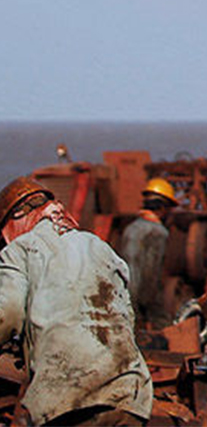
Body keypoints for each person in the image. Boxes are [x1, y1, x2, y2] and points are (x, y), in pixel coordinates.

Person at [0, 176, 153, 426]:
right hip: (129, 396)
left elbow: (8, 313)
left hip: (68, 398)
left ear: (17, 218)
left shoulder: (20, 249)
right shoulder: (101, 247)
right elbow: (127, 317)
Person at [117, 177, 177, 330]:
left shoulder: (130, 229)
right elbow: (151, 273)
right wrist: (149, 308)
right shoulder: (158, 232)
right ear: (163, 208)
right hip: (140, 299)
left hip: (123, 297)